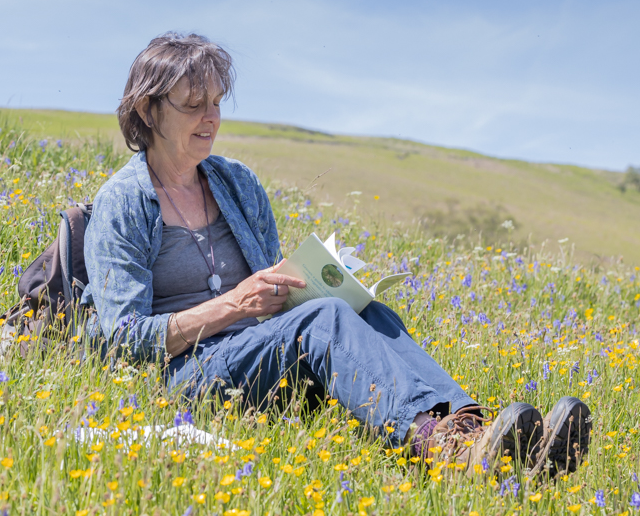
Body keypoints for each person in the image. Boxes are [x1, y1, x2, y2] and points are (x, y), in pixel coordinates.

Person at [82, 32, 591, 477]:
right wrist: (233, 306)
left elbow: (274, 296)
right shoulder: (123, 204)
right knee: (323, 320)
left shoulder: (236, 183)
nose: (211, 117)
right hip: (189, 377)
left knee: (364, 308)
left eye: (217, 102)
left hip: (262, 358)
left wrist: (305, 284)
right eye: (194, 104)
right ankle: (442, 448)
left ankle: (487, 435)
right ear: (149, 110)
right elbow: (122, 341)